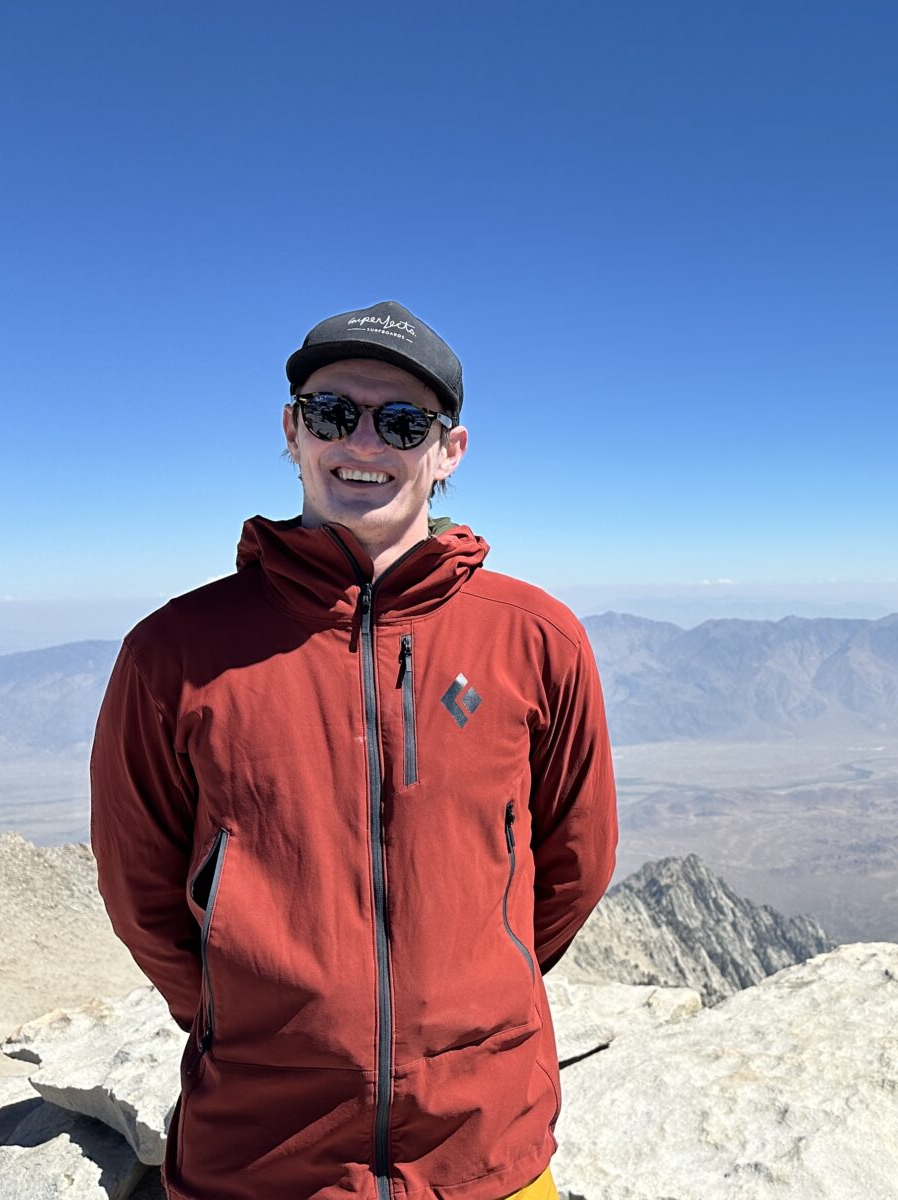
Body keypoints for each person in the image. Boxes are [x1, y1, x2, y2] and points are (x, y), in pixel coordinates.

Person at [89, 300, 618, 1200]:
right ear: (293, 432)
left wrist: (476, 1002)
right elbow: (141, 889)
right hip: (259, 1158)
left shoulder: (536, 638)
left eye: (403, 422)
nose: (364, 444)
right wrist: (243, 1020)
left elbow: (574, 864)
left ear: (449, 451)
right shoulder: (175, 651)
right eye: (336, 414)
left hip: (484, 1149)